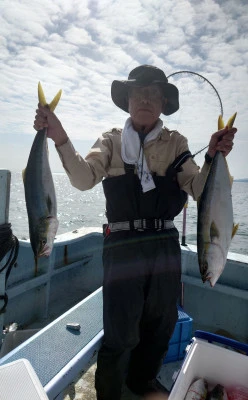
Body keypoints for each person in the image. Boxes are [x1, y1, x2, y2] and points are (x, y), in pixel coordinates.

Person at [33, 65, 237, 400]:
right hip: (123, 244)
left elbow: (199, 189)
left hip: (164, 243)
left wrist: (213, 157)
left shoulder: (176, 143)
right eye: (138, 93)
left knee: (162, 324)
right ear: (127, 101)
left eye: (153, 93)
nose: (145, 99)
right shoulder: (110, 140)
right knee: (121, 329)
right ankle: (110, 392)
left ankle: (142, 381)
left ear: (162, 103)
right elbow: (84, 179)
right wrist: (59, 137)